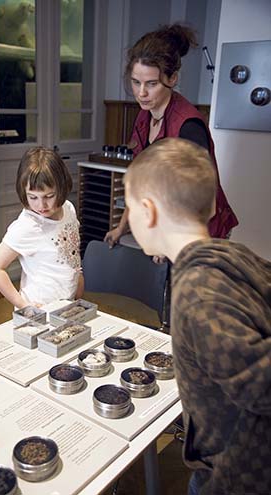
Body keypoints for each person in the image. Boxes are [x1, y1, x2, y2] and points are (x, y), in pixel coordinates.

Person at [124, 137, 271, 495]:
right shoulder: (233, 255)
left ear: (149, 211)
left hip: (235, 476)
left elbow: (261, 385)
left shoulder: (197, 292)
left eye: (128, 208)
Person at [104, 23, 238, 247]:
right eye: (136, 82)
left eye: (152, 84)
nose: (141, 93)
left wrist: (168, 242)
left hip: (201, 233)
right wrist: (122, 226)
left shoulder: (188, 126)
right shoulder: (144, 117)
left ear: (172, 78)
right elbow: (141, 180)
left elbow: (203, 202)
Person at [0, 147, 84, 309]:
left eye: (49, 196)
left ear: (62, 187)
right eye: (33, 197)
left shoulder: (68, 209)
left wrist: (78, 276)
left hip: (68, 304)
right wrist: (23, 305)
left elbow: (70, 250)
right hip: (39, 310)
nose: (41, 205)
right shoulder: (27, 226)